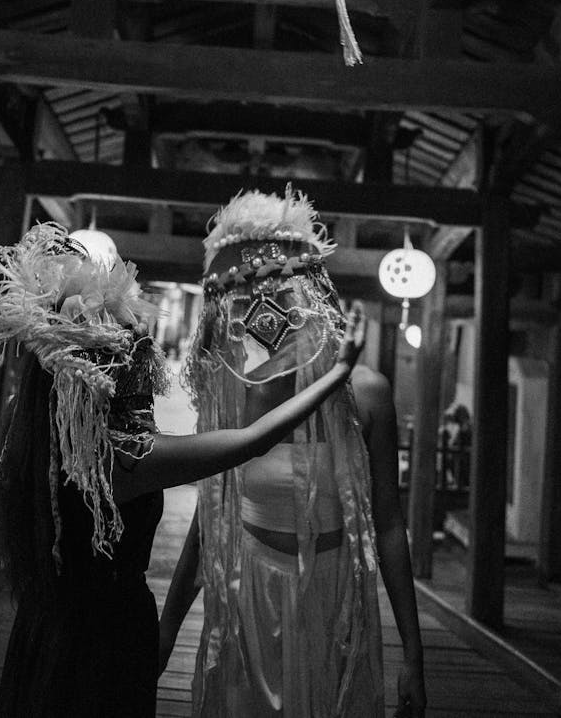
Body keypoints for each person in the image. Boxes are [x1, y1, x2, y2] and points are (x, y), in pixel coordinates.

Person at [0, 220, 366, 718]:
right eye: (127, 361)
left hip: (45, 628)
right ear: (92, 381)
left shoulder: (38, 439)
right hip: (104, 636)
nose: (139, 370)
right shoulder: (118, 461)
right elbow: (251, 441)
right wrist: (339, 372)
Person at [159, 187, 427, 717]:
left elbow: (389, 523)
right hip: (249, 590)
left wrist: (415, 658)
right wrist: (165, 635)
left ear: (307, 300)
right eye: (251, 300)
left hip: (332, 593)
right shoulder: (231, 389)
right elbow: (209, 517)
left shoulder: (365, 392)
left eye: (280, 296)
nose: (267, 314)